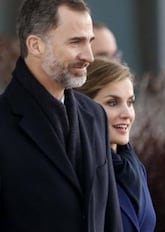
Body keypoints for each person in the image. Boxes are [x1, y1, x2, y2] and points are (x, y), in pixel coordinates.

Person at [0, 0, 122, 231]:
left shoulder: (94, 115)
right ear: (36, 45)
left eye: (90, 42)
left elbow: (109, 217)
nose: (89, 56)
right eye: (76, 42)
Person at [76, 58, 156, 232]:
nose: (127, 114)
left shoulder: (135, 167)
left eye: (130, 102)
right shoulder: (76, 168)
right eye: (112, 103)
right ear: (84, 107)